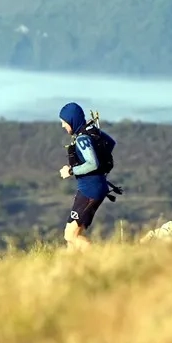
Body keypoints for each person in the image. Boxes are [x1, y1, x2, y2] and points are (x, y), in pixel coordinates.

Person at [57, 101, 118, 251]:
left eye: (64, 122)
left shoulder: (82, 139)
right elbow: (110, 142)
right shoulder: (91, 131)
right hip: (91, 188)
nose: (63, 126)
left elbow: (92, 164)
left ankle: (99, 259)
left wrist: (71, 171)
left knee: (70, 235)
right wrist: (100, 151)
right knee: (71, 234)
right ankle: (71, 265)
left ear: (72, 120)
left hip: (91, 190)